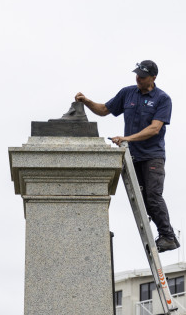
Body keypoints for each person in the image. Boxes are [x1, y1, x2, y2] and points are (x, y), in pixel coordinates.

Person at [75, 60, 178, 252]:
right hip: (133, 157)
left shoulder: (163, 99)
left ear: (153, 78)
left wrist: (127, 138)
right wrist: (87, 101)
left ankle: (168, 236)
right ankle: (165, 234)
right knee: (142, 199)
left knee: (153, 196)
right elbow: (104, 110)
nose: (138, 78)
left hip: (152, 156)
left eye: (143, 76)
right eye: (137, 74)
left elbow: (155, 129)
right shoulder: (128, 93)